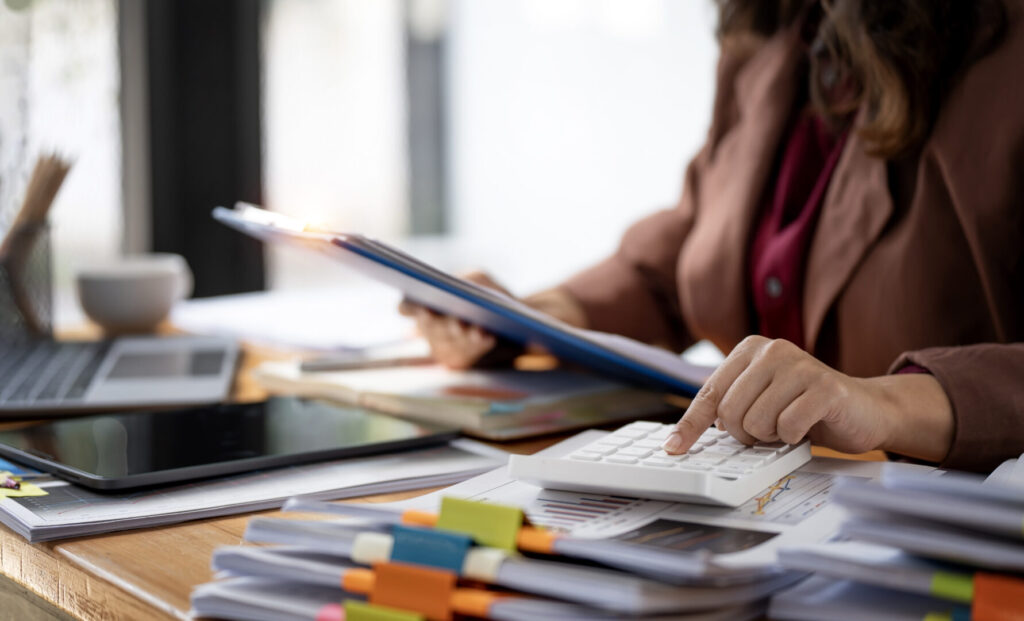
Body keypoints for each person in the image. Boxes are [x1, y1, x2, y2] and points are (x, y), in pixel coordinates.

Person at [401, 0, 1024, 473]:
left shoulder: (1002, 51)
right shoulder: (779, 27)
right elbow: (703, 241)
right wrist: (531, 318)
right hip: (768, 503)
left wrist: (886, 404)